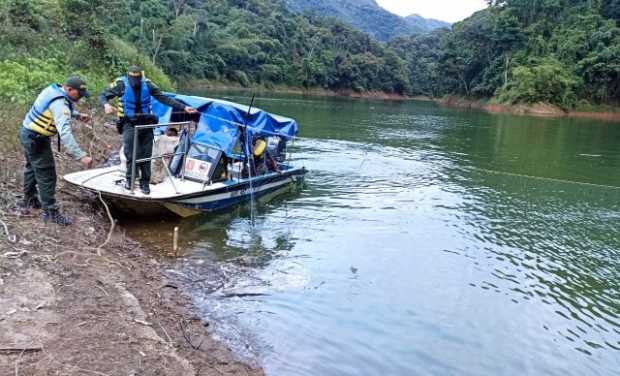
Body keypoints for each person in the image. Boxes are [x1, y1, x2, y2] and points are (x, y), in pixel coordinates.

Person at [99, 66, 197, 194]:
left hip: (146, 123)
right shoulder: (120, 84)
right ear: (129, 76)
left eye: (137, 78)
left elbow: (163, 98)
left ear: (141, 76)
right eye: (133, 78)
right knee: (130, 152)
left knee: (145, 155)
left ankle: (145, 183)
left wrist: (184, 107)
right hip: (129, 123)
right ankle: (130, 179)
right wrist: (106, 104)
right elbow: (103, 95)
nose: (135, 81)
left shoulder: (148, 84)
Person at [19, 76, 93, 226]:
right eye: (78, 94)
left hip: (28, 133)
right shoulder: (60, 103)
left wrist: (77, 115)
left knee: (32, 168)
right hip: (36, 139)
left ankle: (29, 199)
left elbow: (55, 109)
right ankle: (51, 212)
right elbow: (65, 133)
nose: (79, 97)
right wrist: (81, 155)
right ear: (69, 89)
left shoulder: (55, 90)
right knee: (47, 174)